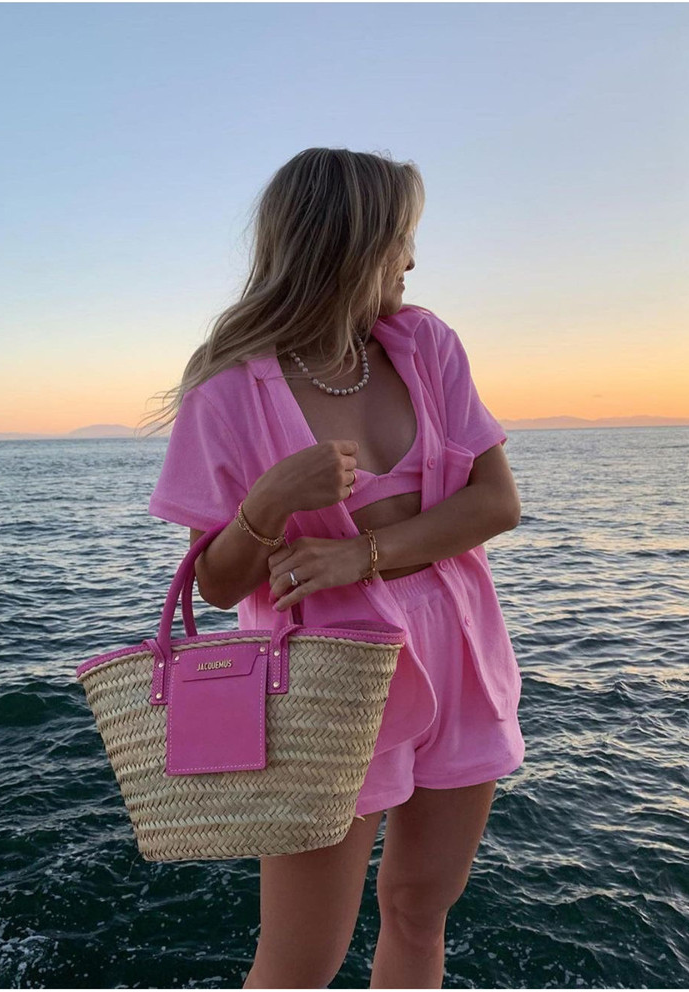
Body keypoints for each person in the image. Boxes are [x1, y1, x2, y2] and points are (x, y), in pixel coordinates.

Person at [141, 147, 524, 989]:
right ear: (349, 244)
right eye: (400, 238)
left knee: (420, 913)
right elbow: (217, 586)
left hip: (460, 654)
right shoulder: (227, 389)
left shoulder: (425, 345)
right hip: (320, 679)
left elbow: (497, 503)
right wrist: (269, 502)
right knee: (298, 963)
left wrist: (362, 553)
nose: (412, 260)